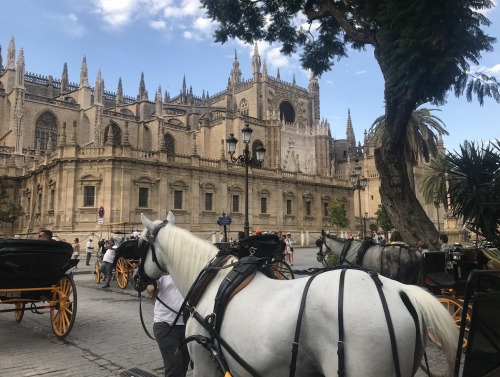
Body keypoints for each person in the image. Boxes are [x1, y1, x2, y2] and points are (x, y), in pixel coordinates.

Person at [146, 276, 189, 377]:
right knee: (174, 369)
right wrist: (150, 288)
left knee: (183, 366)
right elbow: (149, 284)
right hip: (165, 325)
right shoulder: (163, 270)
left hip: (188, 325)